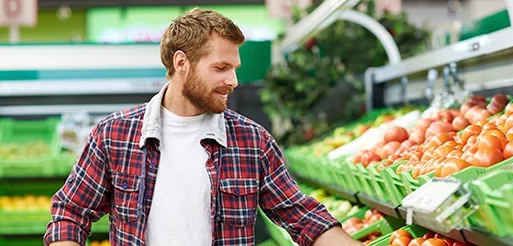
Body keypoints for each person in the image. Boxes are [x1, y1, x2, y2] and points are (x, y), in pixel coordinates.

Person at [44, 8, 362, 246]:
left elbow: (303, 217)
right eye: (221, 68)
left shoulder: (252, 141)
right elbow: (71, 212)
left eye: (234, 69)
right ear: (181, 63)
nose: (233, 81)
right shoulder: (115, 135)